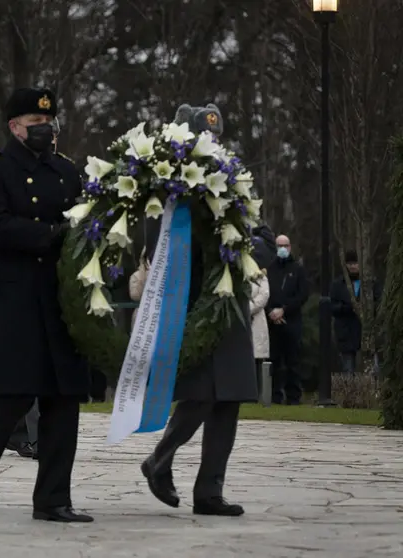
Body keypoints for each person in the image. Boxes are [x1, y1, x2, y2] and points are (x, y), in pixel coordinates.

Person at [0, 87, 93, 523]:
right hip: (14, 294)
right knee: (16, 390)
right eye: (36, 125)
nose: (45, 131)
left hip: (58, 296)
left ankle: (53, 498)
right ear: (15, 127)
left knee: (63, 396)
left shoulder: (66, 171)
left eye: (49, 124)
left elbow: (81, 219)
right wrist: (51, 234)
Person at [140, 103, 276, 517]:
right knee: (200, 395)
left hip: (230, 305)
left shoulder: (235, 186)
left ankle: (209, 491)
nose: (211, 147)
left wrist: (238, 246)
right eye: (204, 139)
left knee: (229, 399)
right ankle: (159, 461)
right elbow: (156, 249)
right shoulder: (168, 193)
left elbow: (265, 240)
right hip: (192, 304)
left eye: (216, 140)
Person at [265, 234, 309, 404]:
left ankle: (293, 397)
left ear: (290, 247)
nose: (282, 248)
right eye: (279, 245)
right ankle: (274, 396)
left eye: (285, 245)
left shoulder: (297, 269)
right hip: (273, 323)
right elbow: (265, 293)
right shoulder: (269, 269)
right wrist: (271, 312)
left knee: (293, 362)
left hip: (292, 322)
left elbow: (302, 295)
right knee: (274, 361)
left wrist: (284, 310)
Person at [331, 250, 381, 375]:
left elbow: (378, 302)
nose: (353, 266)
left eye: (355, 263)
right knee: (348, 371)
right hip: (346, 332)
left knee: (372, 370)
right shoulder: (338, 284)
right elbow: (332, 306)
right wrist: (346, 308)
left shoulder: (370, 283)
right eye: (350, 263)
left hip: (366, 330)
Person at [249, 271, 271, 395]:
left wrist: (247, 308)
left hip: (256, 319)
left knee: (257, 357)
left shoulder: (261, 277)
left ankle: (257, 393)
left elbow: (264, 296)